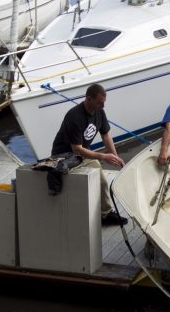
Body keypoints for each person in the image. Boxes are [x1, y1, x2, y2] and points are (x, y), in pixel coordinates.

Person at [50, 83, 128, 226]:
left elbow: (106, 136)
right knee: (100, 179)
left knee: (102, 181)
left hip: (81, 155)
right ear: (88, 99)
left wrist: (115, 156)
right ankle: (104, 215)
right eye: (100, 103)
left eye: (104, 103)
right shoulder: (74, 116)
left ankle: (105, 214)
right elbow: (77, 149)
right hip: (65, 156)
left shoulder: (99, 112)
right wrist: (104, 156)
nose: (102, 106)